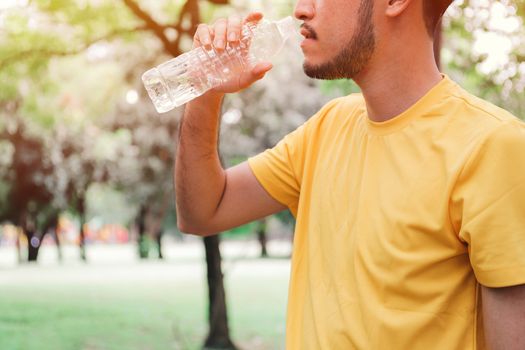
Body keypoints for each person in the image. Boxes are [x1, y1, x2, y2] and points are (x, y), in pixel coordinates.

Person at [175, 0, 525, 348]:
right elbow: (203, 211)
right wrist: (205, 91)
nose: (300, 9)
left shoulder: (494, 146)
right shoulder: (327, 127)